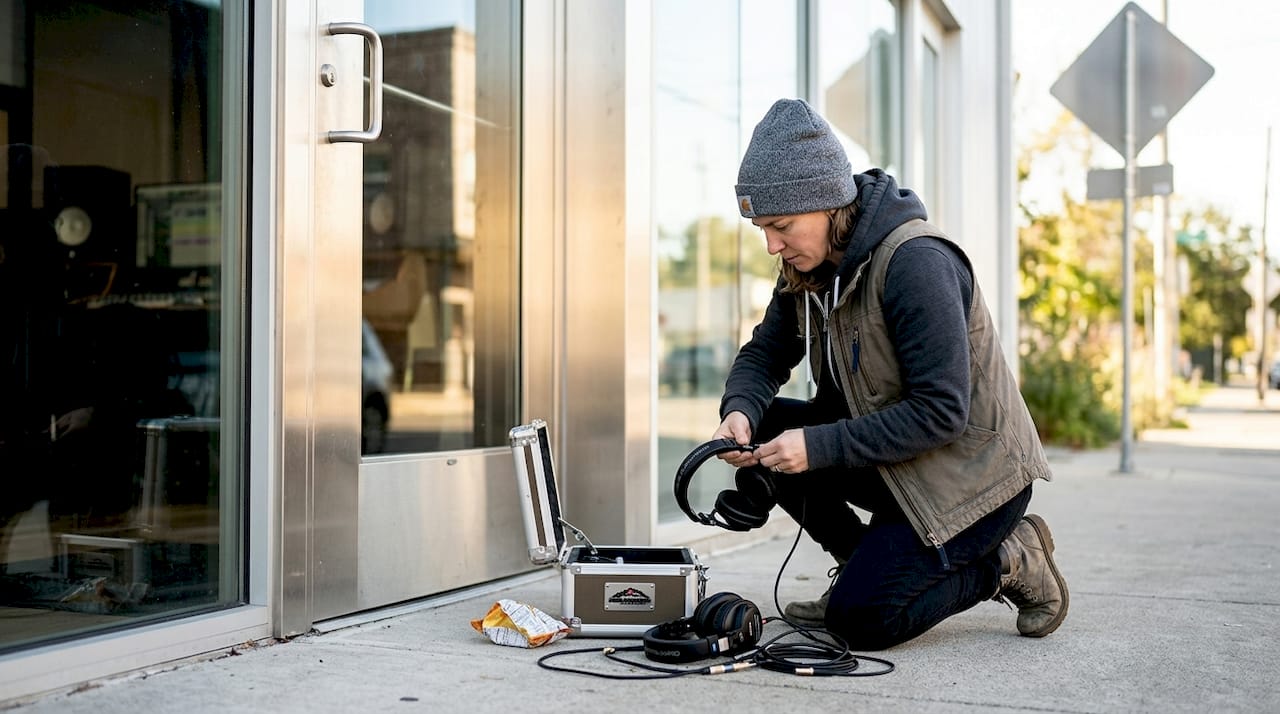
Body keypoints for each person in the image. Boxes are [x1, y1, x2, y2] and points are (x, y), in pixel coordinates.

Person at [711, 98, 1067, 649]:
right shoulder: (807, 269)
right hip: (899, 465)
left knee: (862, 622)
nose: (771, 244)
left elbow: (941, 412)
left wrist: (818, 447)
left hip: (972, 481)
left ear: (828, 204)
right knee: (763, 426)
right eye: (762, 228)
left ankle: (1010, 558)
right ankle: (860, 566)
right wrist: (737, 412)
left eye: (781, 226)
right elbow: (765, 353)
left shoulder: (915, 262)